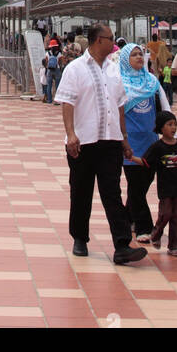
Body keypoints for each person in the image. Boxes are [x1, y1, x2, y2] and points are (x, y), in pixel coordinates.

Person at [54, 23, 147, 266]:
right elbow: (67, 102)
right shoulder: (75, 69)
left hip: (110, 141)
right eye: (110, 38)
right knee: (81, 191)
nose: (113, 42)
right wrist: (71, 134)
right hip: (83, 142)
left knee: (112, 192)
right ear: (98, 41)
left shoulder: (114, 69)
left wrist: (125, 139)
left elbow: (119, 105)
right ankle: (79, 238)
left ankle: (122, 245)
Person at [117, 43, 169, 243]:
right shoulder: (119, 83)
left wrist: (169, 134)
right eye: (134, 55)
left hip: (152, 144)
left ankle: (125, 218)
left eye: (141, 54)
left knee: (143, 184)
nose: (139, 57)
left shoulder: (152, 82)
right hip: (130, 144)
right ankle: (144, 227)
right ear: (125, 60)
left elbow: (164, 108)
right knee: (136, 186)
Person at [143, 111, 177, 255]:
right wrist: (131, 157)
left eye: (175, 124)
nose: (173, 127)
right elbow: (146, 161)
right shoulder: (157, 147)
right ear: (161, 128)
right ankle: (156, 234)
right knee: (166, 214)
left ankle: (175, 246)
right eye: (169, 124)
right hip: (165, 188)